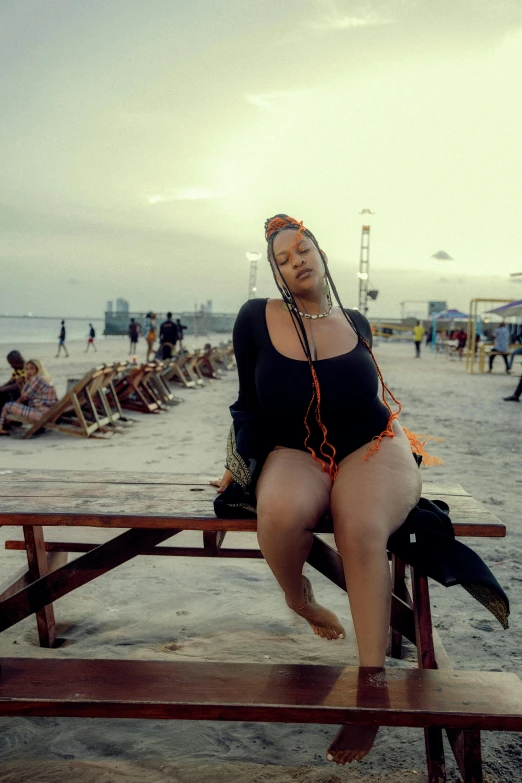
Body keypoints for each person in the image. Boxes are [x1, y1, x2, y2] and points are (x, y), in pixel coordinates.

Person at [211, 214, 436, 765]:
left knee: (361, 531)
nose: (297, 261)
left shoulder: (355, 319)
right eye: (283, 259)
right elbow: (246, 400)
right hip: (295, 448)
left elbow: (364, 395)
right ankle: (301, 599)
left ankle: (370, 689)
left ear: (321, 253)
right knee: (280, 516)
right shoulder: (254, 319)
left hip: (372, 443)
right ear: (277, 274)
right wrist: (235, 464)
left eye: (303, 248)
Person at [0, 359, 58, 435]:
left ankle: (1, 428)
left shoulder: (37, 379)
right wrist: (21, 384)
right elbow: (27, 396)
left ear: (38, 369)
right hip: (47, 412)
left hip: (42, 414)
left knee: (7, 405)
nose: (28, 371)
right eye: (27, 369)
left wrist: (12, 408)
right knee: (10, 406)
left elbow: (24, 397)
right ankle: (3, 426)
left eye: (32, 368)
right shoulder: (42, 378)